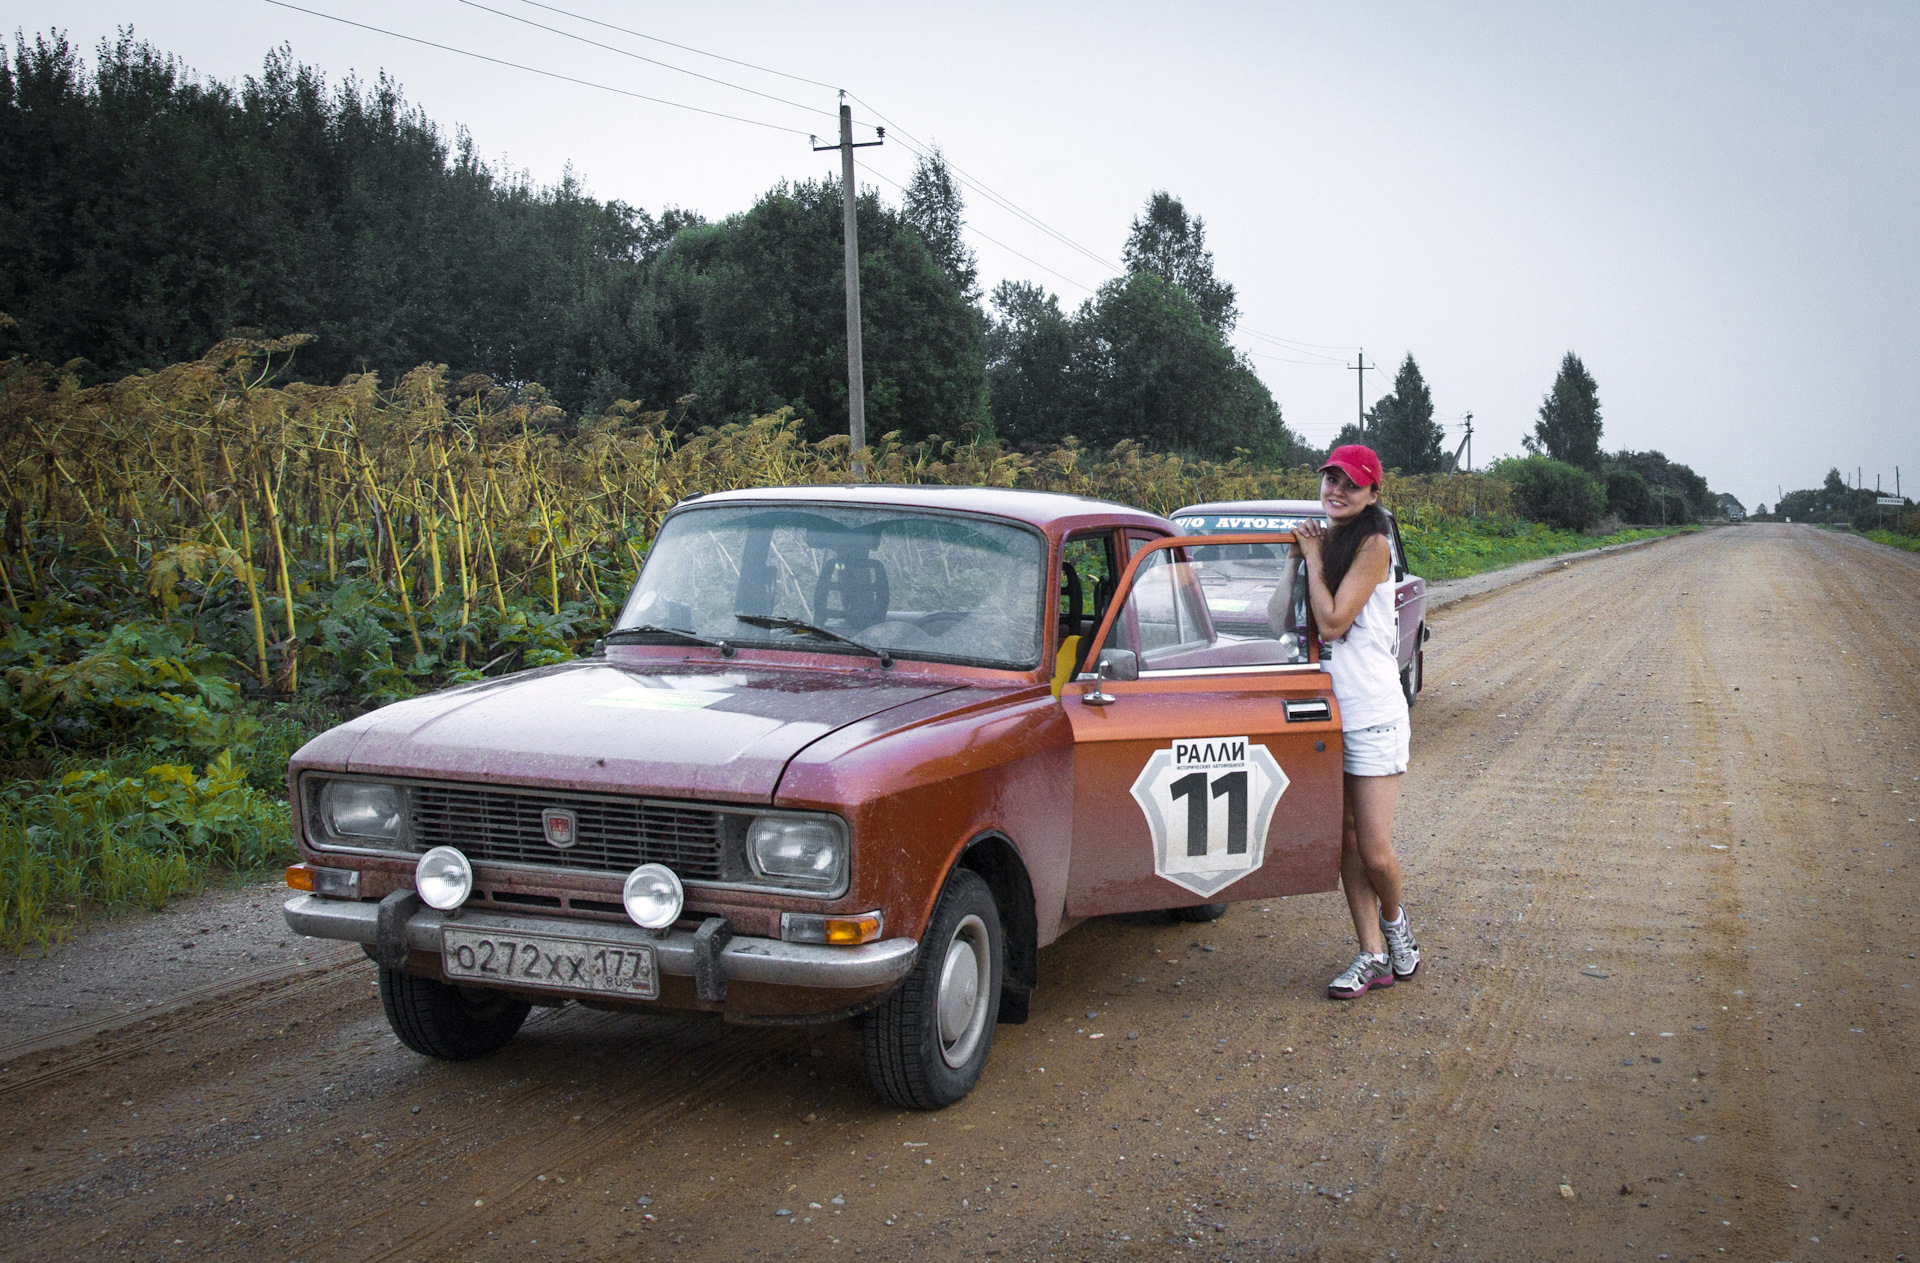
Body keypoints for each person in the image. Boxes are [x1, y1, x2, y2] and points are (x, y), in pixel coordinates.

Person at [1292, 445, 1420, 999]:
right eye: (1330, 479)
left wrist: (1312, 559)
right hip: (1326, 715)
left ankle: (1397, 929)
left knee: (1374, 850)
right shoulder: (1327, 542)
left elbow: (1336, 621)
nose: (1336, 490)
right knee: (1344, 838)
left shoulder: (1373, 544)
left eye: (1350, 483)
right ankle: (1371, 954)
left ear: (1372, 494)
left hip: (1371, 713)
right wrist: (1299, 559)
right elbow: (1284, 620)